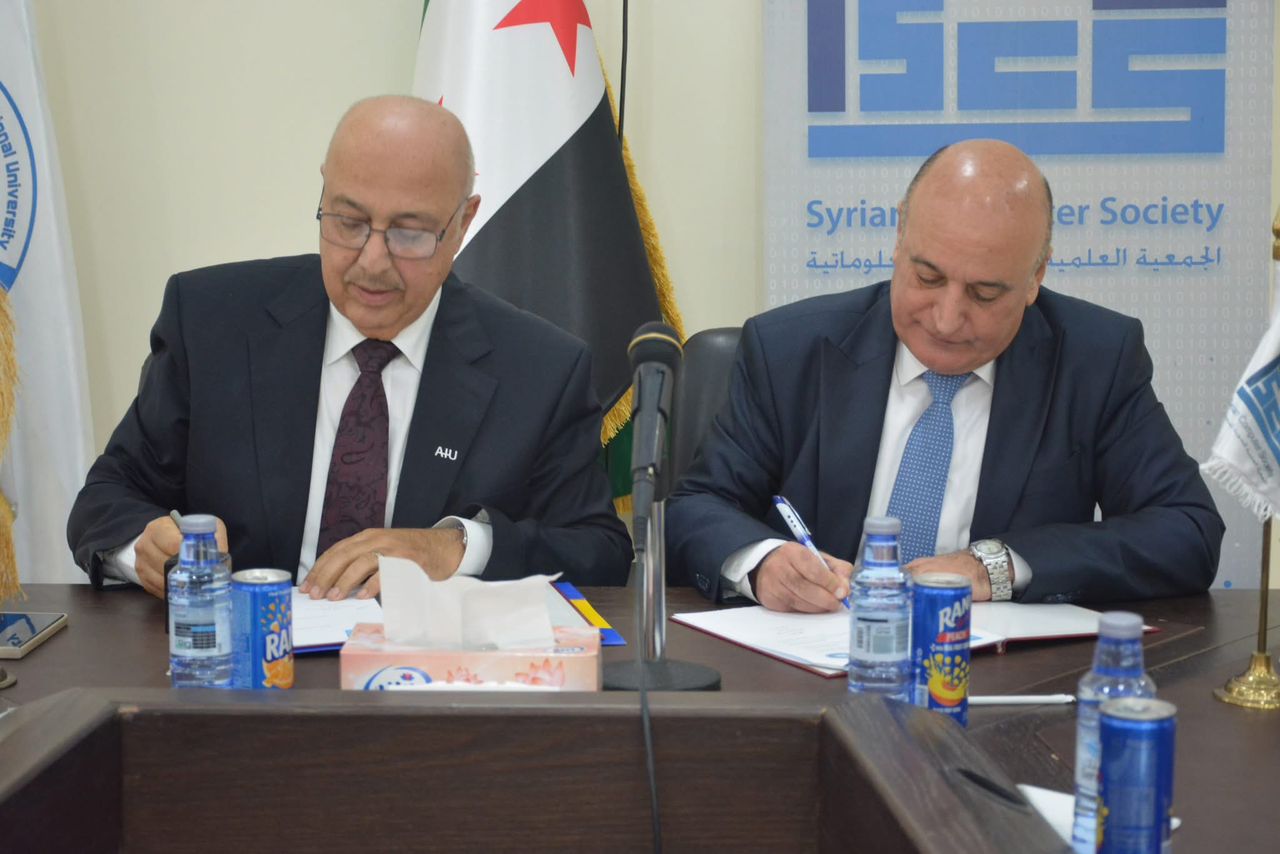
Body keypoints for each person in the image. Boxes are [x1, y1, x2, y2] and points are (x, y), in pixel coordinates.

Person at [68, 96, 631, 600]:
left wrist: (458, 548)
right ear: (323, 193)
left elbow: (599, 552)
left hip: (429, 673)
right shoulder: (211, 322)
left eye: (409, 233)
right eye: (349, 221)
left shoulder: (540, 369)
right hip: (242, 665)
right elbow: (107, 496)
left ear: (462, 224)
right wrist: (145, 548)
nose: (372, 261)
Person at [666, 139, 1223, 612]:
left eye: (985, 293)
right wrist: (764, 563)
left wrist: (997, 566)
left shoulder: (1094, 359)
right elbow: (695, 507)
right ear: (898, 239)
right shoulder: (789, 351)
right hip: (817, 671)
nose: (947, 318)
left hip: (1005, 680)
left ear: (1036, 277)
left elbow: (1187, 531)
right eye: (928, 278)